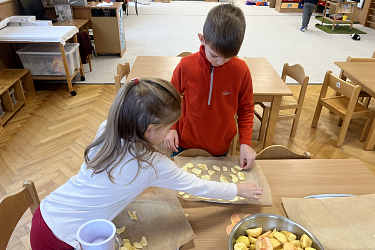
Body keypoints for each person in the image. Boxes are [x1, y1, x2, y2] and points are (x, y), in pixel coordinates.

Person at [29, 77, 263, 250]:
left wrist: (156, 144)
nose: (171, 130)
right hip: (64, 240)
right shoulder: (152, 166)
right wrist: (237, 189)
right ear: (150, 131)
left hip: (45, 214)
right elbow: (199, 186)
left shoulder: (107, 127)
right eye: (168, 127)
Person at [164, 3, 256, 169]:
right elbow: (171, 98)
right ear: (202, 39)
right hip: (184, 143)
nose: (220, 62)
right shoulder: (185, 65)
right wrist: (171, 127)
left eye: (227, 58)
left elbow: (246, 109)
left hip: (219, 147)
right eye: (214, 55)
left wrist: (246, 142)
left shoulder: (241, 70)